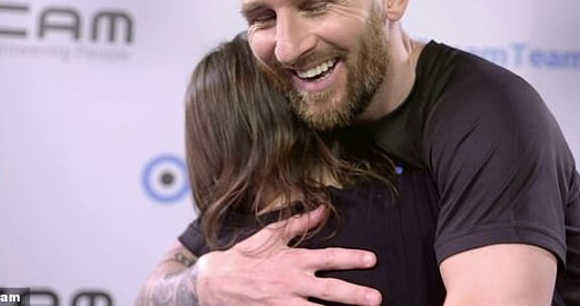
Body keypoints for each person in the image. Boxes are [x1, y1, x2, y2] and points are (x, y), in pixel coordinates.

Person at [139, 0, 580, 305]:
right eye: (263, 17)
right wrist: (203, 282)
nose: (287, 47)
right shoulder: (299, 96)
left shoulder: (487, 116)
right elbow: (158, 284)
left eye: (315, 5)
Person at [137, 34, 451, 305]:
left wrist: (201, 282)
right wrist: (203, 280)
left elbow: (152, 292)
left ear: (211, 142)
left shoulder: (221, 238)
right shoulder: (428, 197)